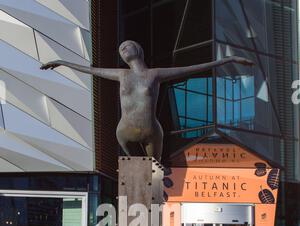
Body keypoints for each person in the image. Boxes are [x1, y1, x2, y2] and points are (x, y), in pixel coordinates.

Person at [41, 40, 253, 161]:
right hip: (125, 131)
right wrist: (62, 62)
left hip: (152, 132)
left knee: (153, 172)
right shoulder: (121, 75)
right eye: (120, 50)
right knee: (135, 170)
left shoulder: (155, 74)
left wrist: (229, 59)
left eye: (127, 46)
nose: (123, 50)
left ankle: (154, 221)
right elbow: (91, 70)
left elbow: (195, 68)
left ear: (139, 50)